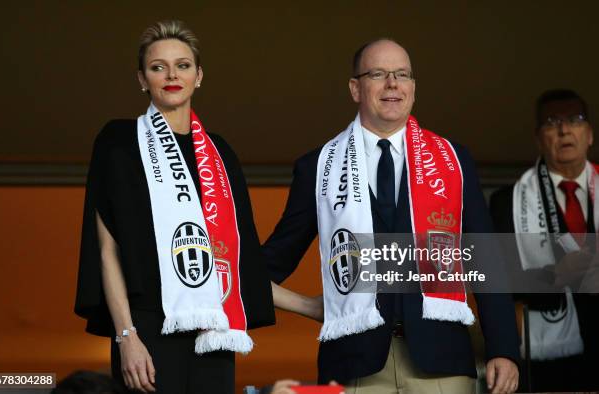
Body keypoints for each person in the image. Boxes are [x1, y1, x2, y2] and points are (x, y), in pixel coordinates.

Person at [262, 38, 520, 394]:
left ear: (413, 87)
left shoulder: (453, 161)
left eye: (402, 74)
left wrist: (504, 350)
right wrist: (308, 306)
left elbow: (488, 261)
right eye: (378, 74)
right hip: (356, 367)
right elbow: (261, 270)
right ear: (356, 88)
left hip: (441, 364)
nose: (393, 84)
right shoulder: (318, 167)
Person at [74, 20, 276, 394]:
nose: (171, 75)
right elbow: (107, 252)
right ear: (141, 78)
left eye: (182, 65)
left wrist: (312, 307)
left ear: (198, 76)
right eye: (157, 67)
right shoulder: (119, 142)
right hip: (148, 329)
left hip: (213, 332)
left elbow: (237, 261)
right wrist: (126, 338)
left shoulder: (220, 154)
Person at [490, 89, 599, 391]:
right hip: (547, 362)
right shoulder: (507, 202)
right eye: (552, 122)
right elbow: (498, 283)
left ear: (589, 134)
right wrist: (555, 275)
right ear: (539, 139)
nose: (564, 129)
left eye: (574, 120)